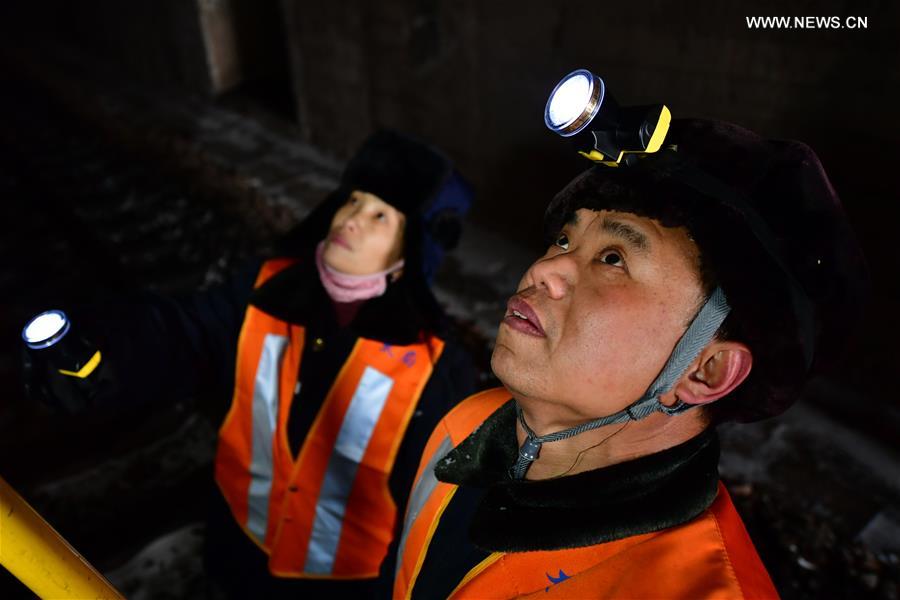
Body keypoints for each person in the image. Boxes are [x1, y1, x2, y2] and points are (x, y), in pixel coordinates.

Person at [393, 119, 868, 599]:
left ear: (706, 371)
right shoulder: (464, 426)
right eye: (564, 240)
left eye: (613, 259)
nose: (545, 268)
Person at [25, 130, 477, 598]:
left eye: (380, 215)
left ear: (409, 253)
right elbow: (180, 335)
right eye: (354, 200)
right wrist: (103, 350)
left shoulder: (437, 367)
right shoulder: (266, 290)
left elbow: (438, 510)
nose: (352, 219)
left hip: (345, 586)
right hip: (239, 554)